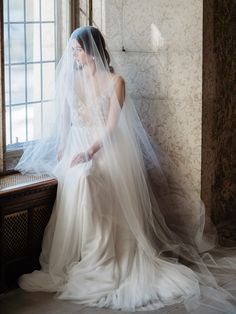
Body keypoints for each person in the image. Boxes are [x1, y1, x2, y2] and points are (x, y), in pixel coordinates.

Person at [15, 26, 236, 313]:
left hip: (104, 149)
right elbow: (65, 122)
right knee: (77, 176)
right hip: (76, 148)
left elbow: (110, 126)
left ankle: (101, 256)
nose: (75, 56)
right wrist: (63, 151)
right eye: (72, 51)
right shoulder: (71, 80)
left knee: (88, 176)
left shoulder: (115, 82)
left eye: (78, 50)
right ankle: (80, 255)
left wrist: (89, 152)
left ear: (92, 49)